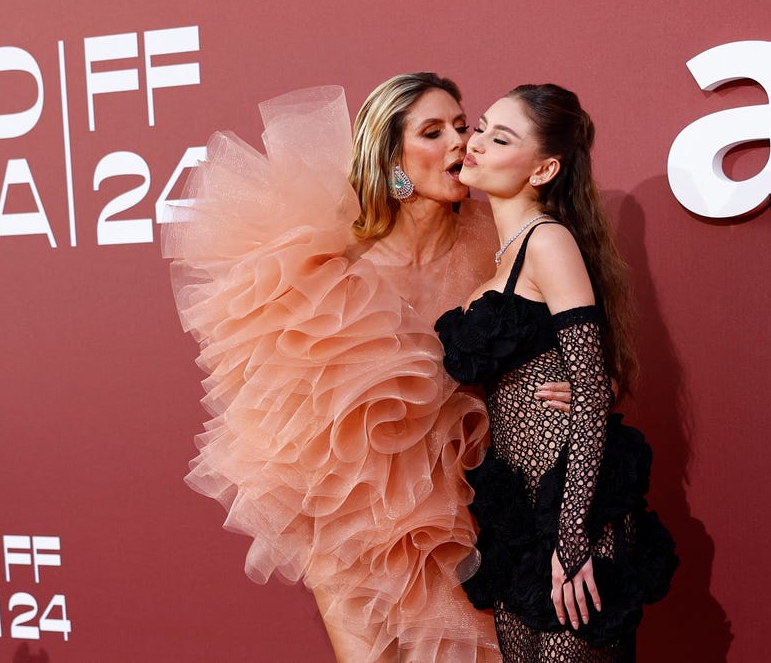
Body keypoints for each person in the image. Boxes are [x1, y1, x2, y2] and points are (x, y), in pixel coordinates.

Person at [163, 73, 571, 662]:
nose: (459, 142)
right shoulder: (328, 262)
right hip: (356, 537)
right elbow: (283, 419)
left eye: (463, 126)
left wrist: (585, 386)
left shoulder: (500, 242)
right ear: (391, 156)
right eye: (433, 132)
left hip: (471, 529)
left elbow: (573, 341)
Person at [435, 84, 677, 661]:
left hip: (572, 509)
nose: (476, 144)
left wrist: (571, 543)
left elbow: (591, 389)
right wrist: (395, 176)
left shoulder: (548, 240)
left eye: (501, 138)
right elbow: (388, 195)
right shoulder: (500, 248)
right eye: (480, 128)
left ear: (544, 168)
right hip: (516, 513)